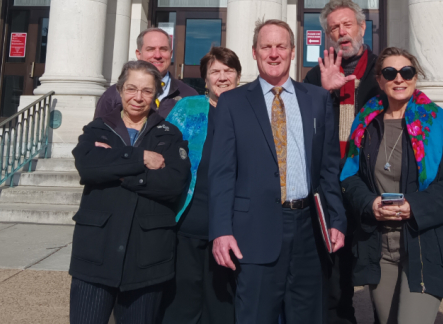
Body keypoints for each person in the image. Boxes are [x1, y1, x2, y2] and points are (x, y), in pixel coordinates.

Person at [208, 19, 347, 324]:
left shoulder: (317, 99)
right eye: (266, 47)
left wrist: (336, 219)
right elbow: (221, 173)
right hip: (253, 231)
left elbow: (327, 169)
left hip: (309, 231)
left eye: (280, 46)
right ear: (255, 53)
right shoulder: (231, 103)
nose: (274, 53)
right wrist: (220, 230)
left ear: (293, 52)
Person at [341, 47, 443, 324]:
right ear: (379, 80)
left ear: (416, 77)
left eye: (407, 72)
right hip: (379, 246)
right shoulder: (365, 123)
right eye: (390, 73)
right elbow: (349, 177)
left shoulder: (440, 124)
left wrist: (413, 206)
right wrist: (370, 204)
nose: (399, 79)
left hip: (425, 243)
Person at [68, 60, 190, 324]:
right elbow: (88, 167)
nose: (138, 97)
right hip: (96, 253)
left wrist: (115, 167)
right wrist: (140, 158)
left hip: (146, 258)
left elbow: (173, 183)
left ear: (156, 95)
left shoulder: (170, 134)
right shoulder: (98, 128)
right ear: (120, 90)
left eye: (147, 91)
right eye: (131, 89)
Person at [304, 0, 381, 324]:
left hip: (371, 186)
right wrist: (325, 94)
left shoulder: (383, 72)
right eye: (334, 27)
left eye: (347, 24)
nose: (341, 32)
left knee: (378, 276)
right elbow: (305, 133)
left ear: (362, 27)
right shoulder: (313, 78)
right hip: (331, 188)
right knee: (334, 281)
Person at [161, 47, 242, 324]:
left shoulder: (250, 111)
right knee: (183, 303)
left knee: (221, 304)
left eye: (228, 70)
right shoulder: (188, 108)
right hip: (189, 220)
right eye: (214, 72)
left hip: (232, 226)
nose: (222, 77)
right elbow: (163, 151)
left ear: (238, 75)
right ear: (205, 79)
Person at [95, 27, 198, 121]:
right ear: (138, 54)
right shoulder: (114, 94)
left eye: (163, 49)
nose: (157, 55)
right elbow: (96, 134)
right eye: (151, 49)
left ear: (170, 54)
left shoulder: (189, 96)